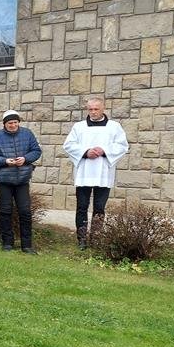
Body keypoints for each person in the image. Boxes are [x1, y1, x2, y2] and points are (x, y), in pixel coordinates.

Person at [63, 97, 129, 249]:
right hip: (84, 173)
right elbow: (68, 145)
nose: (93, 112)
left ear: (103, 109)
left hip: (103, 173)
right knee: (82, 206)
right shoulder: (79, 127)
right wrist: (86, 152)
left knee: (99, 207)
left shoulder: (114, 127)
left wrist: (104, 150)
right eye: (90, 109)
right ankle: (82, 238)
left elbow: (122, 146)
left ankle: (96, 237)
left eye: (96, 109)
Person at [0, 110, 43, 253]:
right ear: (4, 124)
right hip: (3, 179)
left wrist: (26, 159)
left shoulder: (27, 134)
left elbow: (36, 151)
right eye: (10, 123)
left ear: (19, 122)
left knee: (25, 211)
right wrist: (5, 161)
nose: (13, 125)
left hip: (22, 179)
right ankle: (7, 243)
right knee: (5, 211)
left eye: (15, 122)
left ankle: (27, 245)